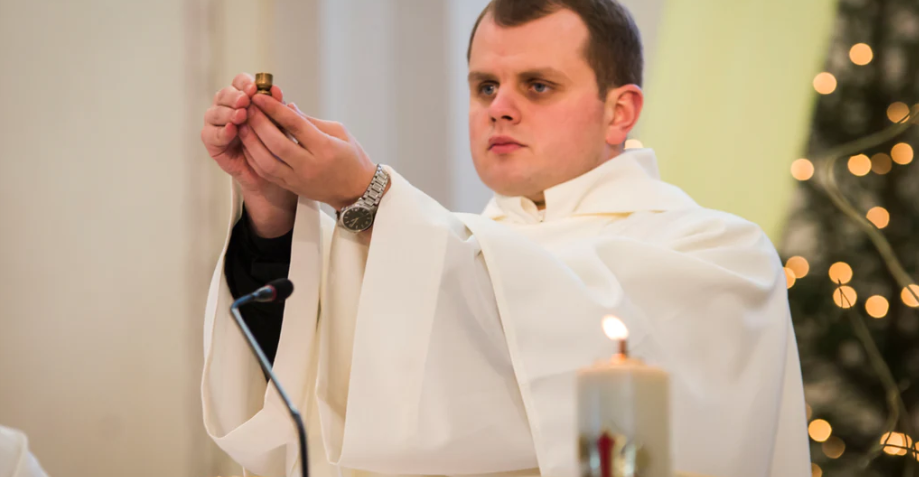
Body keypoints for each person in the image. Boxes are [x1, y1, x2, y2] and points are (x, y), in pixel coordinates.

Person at [199, 1, 810, 476]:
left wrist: (368, 195)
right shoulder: (455, 247)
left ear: (619, 112)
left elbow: (546, 328)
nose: (500, 107)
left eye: (537, 85)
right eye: (485, 86)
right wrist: (272, 213)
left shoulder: (722, 254)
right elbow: (314, 385)